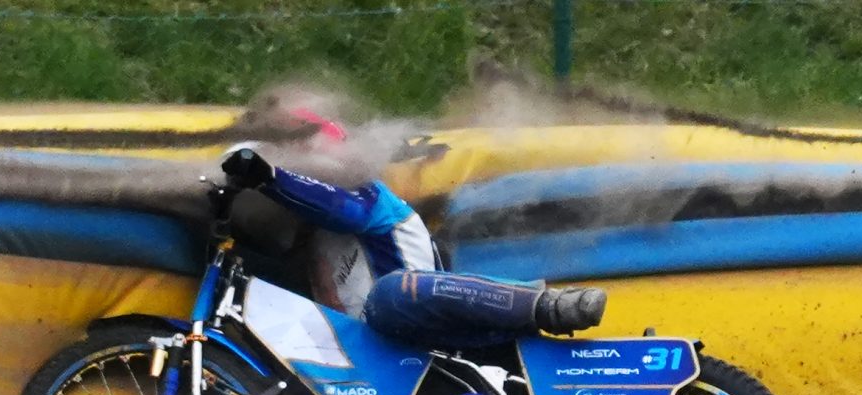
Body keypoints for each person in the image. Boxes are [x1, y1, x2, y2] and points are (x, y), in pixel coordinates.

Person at [220, 148, 606, 349]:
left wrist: (270, 178)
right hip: (375, 362)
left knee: (388, 294)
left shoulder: (367, 194)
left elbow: (340, 210)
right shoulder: (306, 250)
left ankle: (546, 306)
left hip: (432, 333)